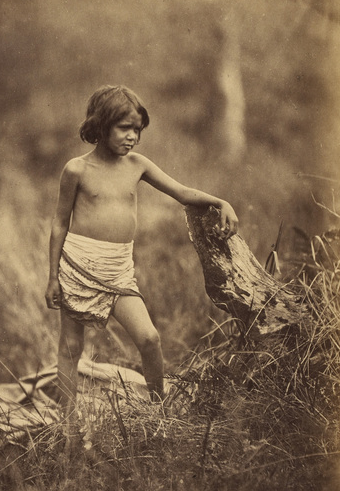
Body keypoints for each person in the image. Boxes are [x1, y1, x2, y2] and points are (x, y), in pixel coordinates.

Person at [45, 85, 238, 422]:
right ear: (101, 126)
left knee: (149, 338)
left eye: (137, 129)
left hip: (119, 269)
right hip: (78, 266)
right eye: (124, 128)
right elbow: (59, 223)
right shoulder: (76, 169)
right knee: (70, 348)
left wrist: (221, 202)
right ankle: (68, 425)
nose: (132, 136)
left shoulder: (137, 164)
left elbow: (181, 191)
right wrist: (52, 278)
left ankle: (158, 411)